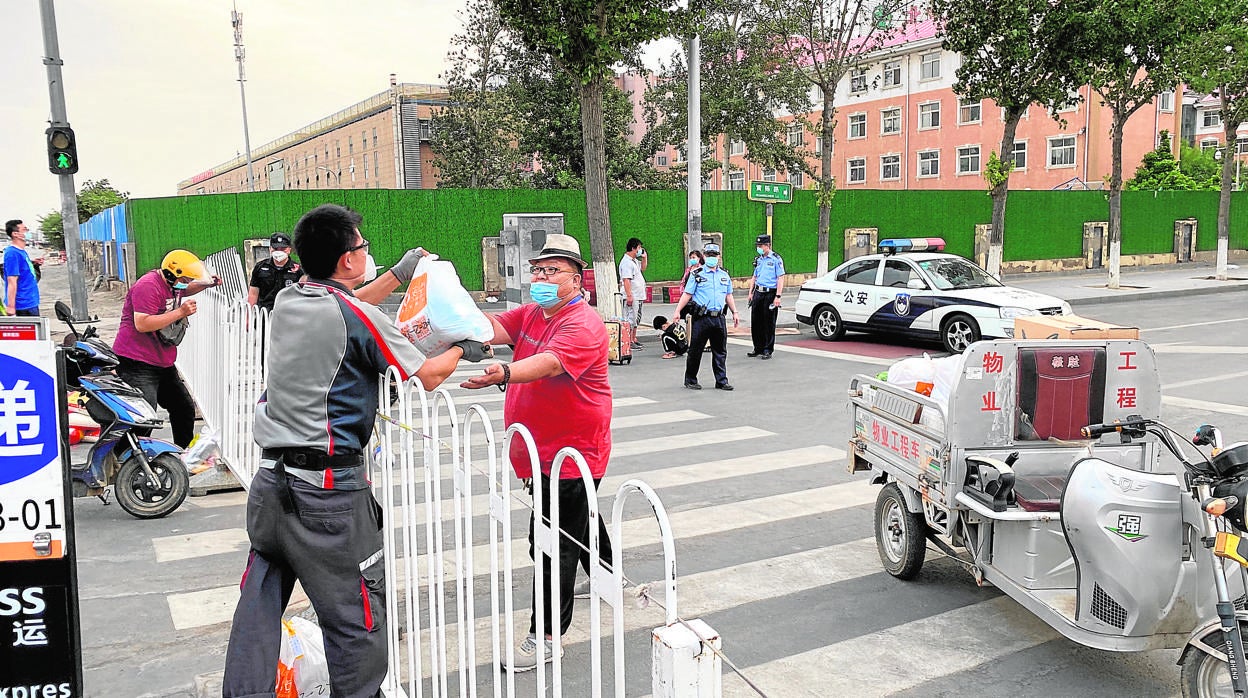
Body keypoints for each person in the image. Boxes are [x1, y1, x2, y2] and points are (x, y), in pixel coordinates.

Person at [222, 204, 488, 698]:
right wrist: (465, 346)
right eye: (362, 246)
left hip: (271, 485)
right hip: (327, 498)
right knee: (356, 618)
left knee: (259, 603)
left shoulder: (291, 299)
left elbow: (347, 304)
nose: (367, 252)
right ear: (347, 259)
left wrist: (399, 274)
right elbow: (427, 375)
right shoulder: (356, 316)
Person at [460, 232, 614, 672]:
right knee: (578, 518)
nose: (542, 278)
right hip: (539, 450)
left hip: (572, 452)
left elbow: (548, 363)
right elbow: (492, 328)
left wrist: (504, 371)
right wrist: (453, 315)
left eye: (552, 271)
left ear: (576, 279)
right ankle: (607, 575)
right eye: (538, 270)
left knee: (550, 544)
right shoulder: (532, 313)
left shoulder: (582, 323)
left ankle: (545, 637)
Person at [112, 249, 221, 448]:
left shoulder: (173, 285)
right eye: (185, 279)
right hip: (137, 360)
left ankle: (183, 453)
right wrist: (180, 312)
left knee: (183, 407)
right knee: (143, 416)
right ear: (172, 274)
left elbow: (184, 290)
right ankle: (128, 458)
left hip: (162, 361)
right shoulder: (147, 286)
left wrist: (206, 284)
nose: (186, 283)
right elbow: (142, 323)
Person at [674, 243, 740, 390]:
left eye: (714, 255)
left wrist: (735, 312)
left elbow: (728, 295)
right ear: (704, 256)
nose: (712, 258)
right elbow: (687, 294)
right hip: (702, 318)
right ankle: (691, 379)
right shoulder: (697, 274)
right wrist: (677, 311)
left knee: (720, 351)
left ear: (719, 257)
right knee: (696, 350)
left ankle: (721, 381)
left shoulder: (724, 275)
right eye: (709, 255)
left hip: (719, 318)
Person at [747, 234, 785, 360]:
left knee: (768, 322)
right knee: (756, 321)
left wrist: (778, 296)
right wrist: (751, 292)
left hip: (770, 293)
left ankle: (767, 349)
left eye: (760, 245)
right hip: (758, 292)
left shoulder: (776, 259)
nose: (758, 248)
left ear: (767, 245)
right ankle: (757, 347)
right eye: (757, 245)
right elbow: (754, 276)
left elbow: (780, 278)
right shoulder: (759, 259)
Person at [247, 232, 302, 311]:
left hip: (289, 313)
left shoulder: (298, 270)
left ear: (289, 249)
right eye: (276, 249)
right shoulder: (260, 267)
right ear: (270, 249)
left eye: (283, 249)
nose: (279, 252)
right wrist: (249, 316)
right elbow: (253, 294)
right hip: (264, 314)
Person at [4, 219, 42, 316]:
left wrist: (33, 263)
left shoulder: (21, 251)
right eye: (25, 229)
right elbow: (12, 280)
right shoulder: (12, 253)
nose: (27, 232)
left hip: (30, 300)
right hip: (23, 304)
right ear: (15, 234)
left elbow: (21, 269)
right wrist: (11, 306)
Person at [617, 237, 647, 349]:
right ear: (633, 248)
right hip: (632, 295)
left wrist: (645, 258)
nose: (640, 250)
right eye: (639, 247)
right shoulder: (626, 263)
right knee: (630, 318)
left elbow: (643, 268)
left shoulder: (634, 261)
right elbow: (626, 280)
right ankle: (628, 340)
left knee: (636, 318)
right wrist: (629, 295)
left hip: (638, 295)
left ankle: (634, 338)